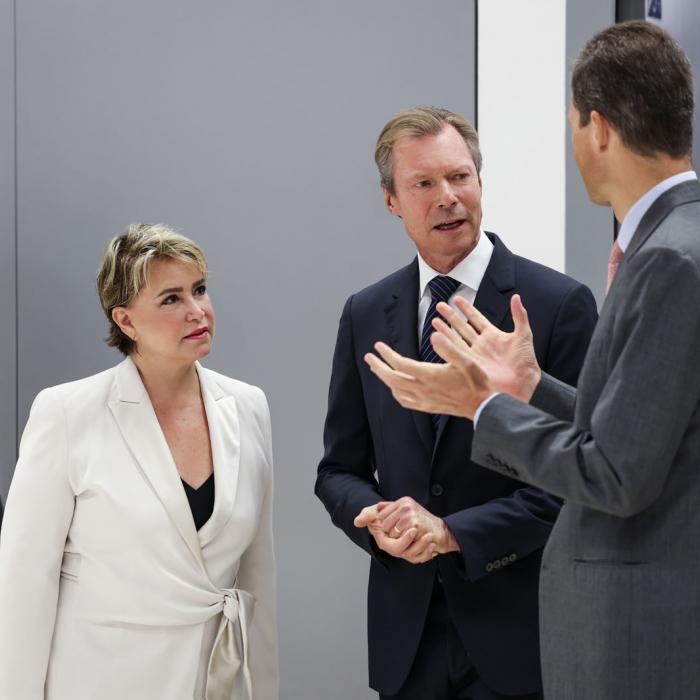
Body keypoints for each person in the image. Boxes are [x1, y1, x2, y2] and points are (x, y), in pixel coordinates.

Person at [365, 21, 700, 700]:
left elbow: (617, 474)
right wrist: (531, 387)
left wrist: (483, 407)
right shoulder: (675, 242)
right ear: (392, 200)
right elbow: (638, 432)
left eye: (573, 124)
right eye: (422, 182)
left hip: (636, 634)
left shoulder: (666, 259)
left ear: (598, 128)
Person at [315, 107, 598, 699]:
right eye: (424, 183)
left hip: (518, 633)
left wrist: (452, 532)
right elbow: (338, 470)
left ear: (479, 181)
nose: (447, 197)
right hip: (406, 637)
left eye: (460, 177)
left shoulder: (556, 304)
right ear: (392, 201)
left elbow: (578, 480)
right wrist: (376, 522)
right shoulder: (365, 313)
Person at [0, 224, 278, 699]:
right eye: (171, 299)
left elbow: (258, 575)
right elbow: (24, 586)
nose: (197, 312)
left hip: (213, 680)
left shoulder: (247, 406)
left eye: (200, 290)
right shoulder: (67, 412)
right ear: (125, 322)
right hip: (100, 681)